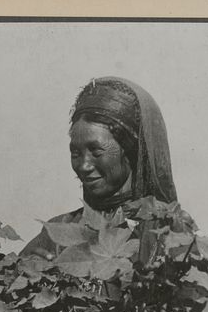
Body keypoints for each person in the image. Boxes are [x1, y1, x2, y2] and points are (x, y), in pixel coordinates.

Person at [21, 76, 179, 263]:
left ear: (130, 150)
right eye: (75, 153)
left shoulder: (166, 232)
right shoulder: (59, 231)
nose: (83, 166)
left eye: (96, 151)